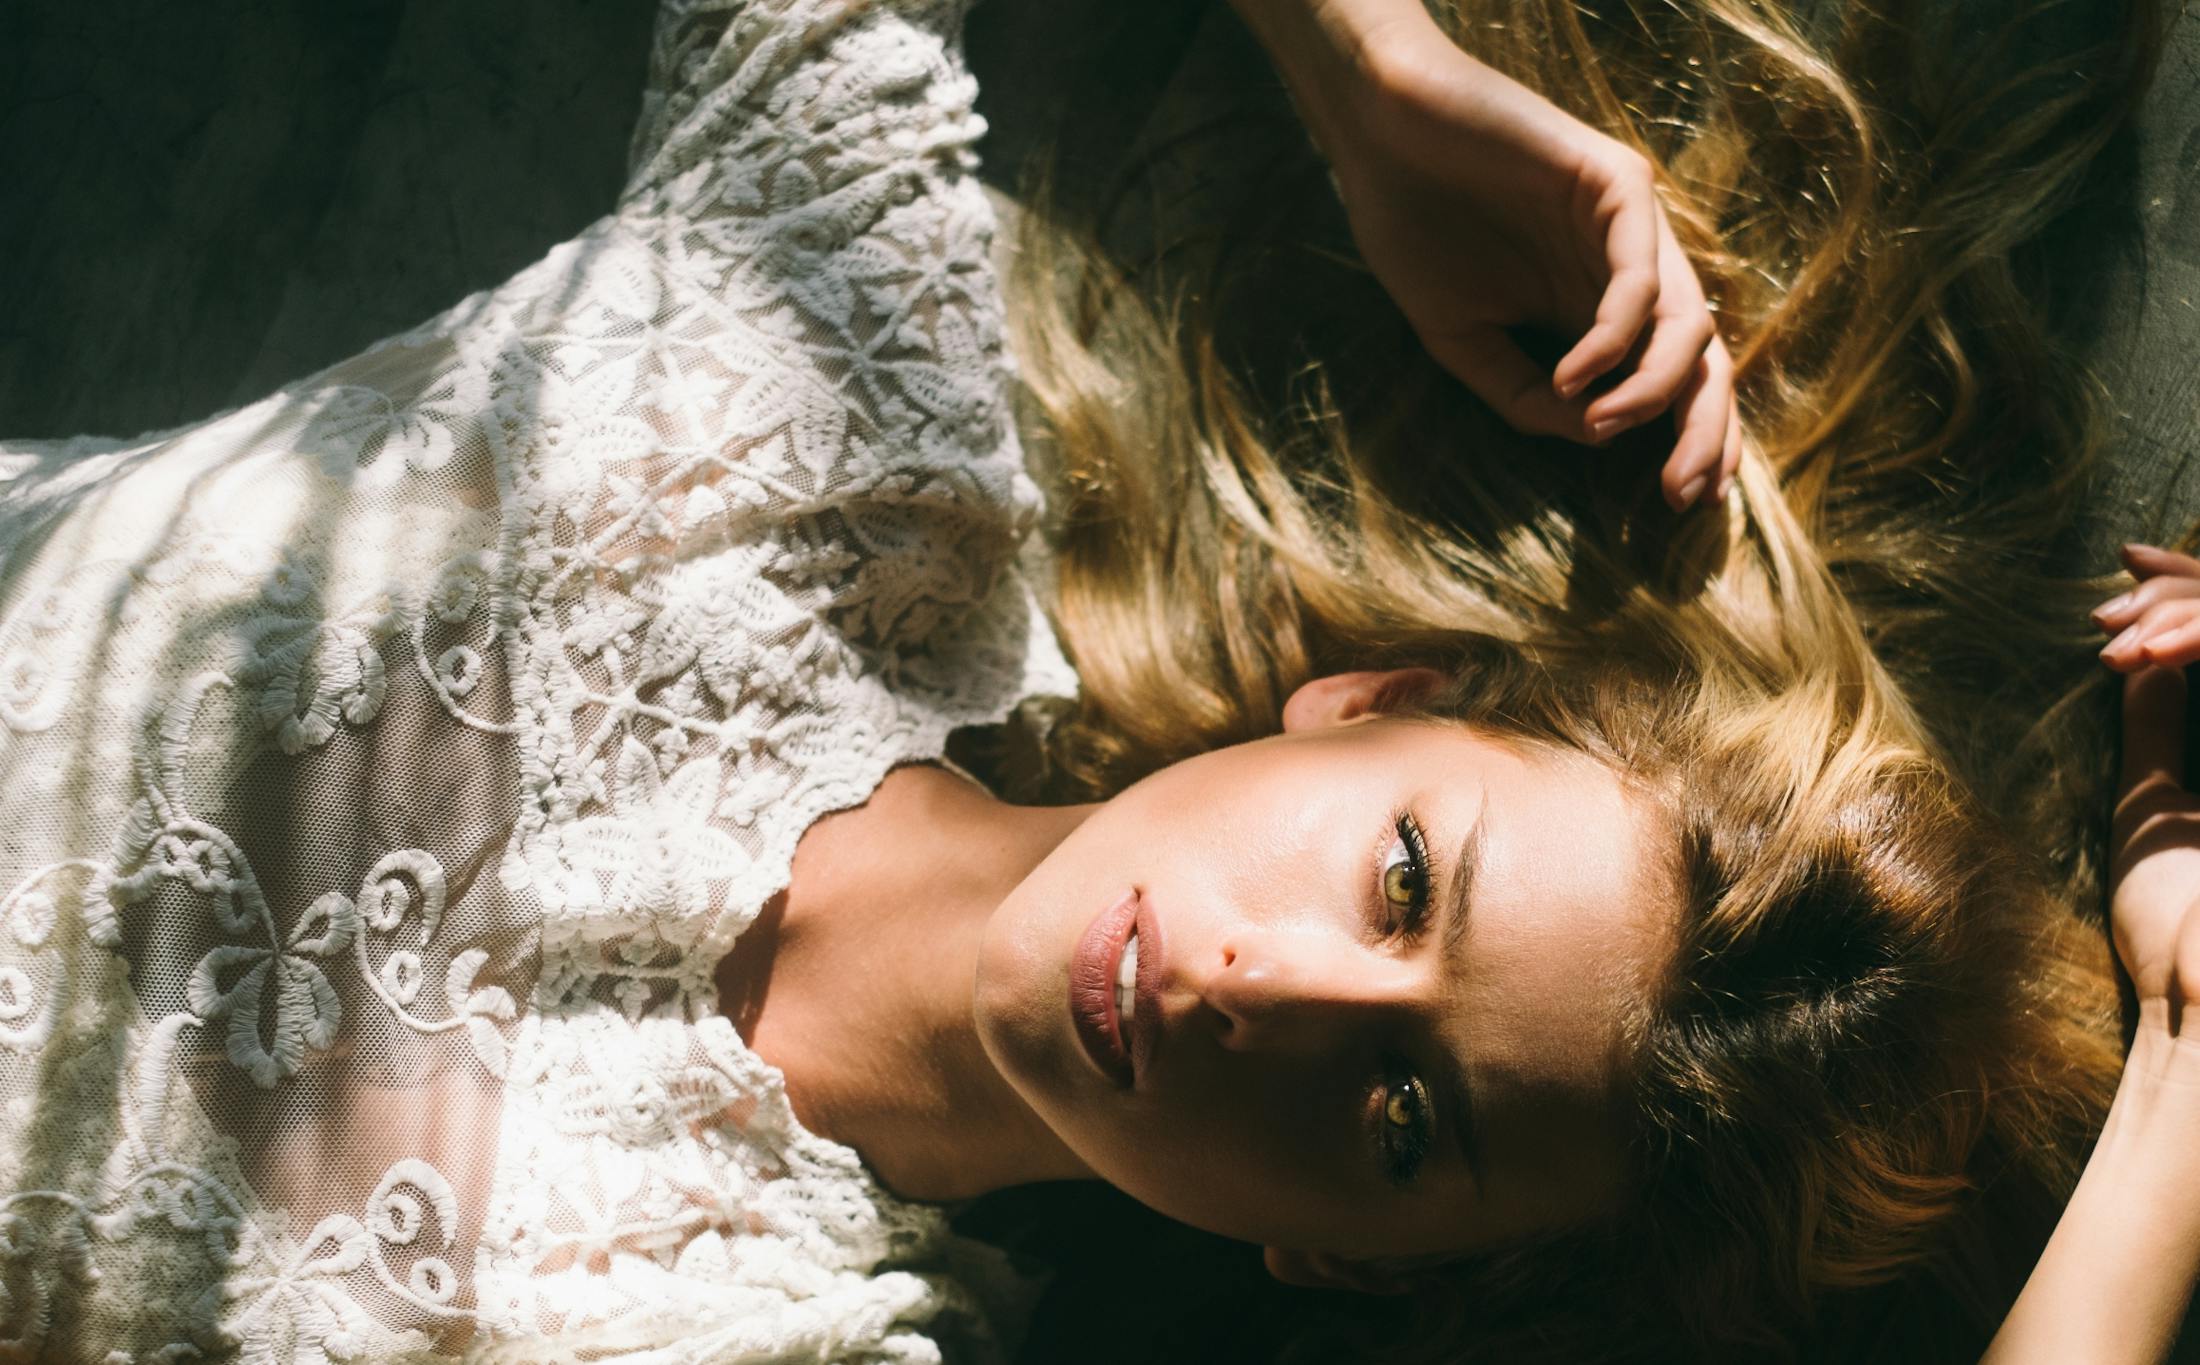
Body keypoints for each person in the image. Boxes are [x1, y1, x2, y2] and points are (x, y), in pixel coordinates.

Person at [0, 3, 2173, 1365]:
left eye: (1409, 1123)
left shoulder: (760, 1325)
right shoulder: (811, 402)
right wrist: (1367, 78)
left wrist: (2181, 1063)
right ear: (1369, 696)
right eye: (1401, 881)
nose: (1274, 994)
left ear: (1355, 1264)